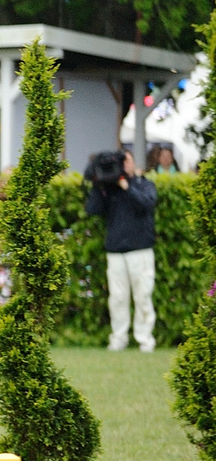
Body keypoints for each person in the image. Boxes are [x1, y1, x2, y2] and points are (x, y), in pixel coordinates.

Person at [85, 147, 157, 352]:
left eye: (126, 161)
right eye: (120, 162)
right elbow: (93, 209)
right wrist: (97, 183)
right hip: (116, 250)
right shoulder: (109, 189)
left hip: (140, 250)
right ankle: (119, 337)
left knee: (143, 295)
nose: (124, 165)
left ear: (133, 163)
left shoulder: (144, 184)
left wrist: (126, 186)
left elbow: (148, 204)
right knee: (117, 297)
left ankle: (145, 338)